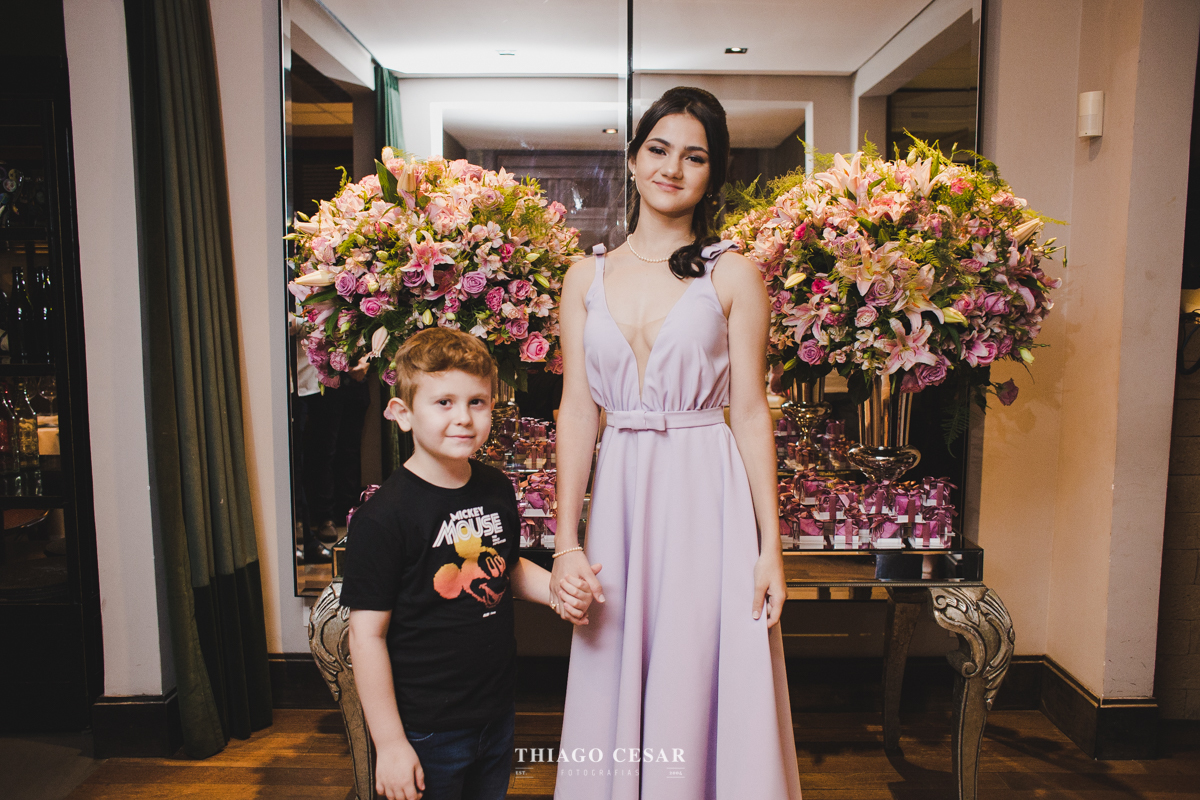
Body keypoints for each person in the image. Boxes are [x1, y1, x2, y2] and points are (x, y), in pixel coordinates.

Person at [549, 87, 804, 798]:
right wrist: (565, 542)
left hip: (705, 494)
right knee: (614, 650)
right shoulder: (584, 277)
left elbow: (749, 412)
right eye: (659, 149)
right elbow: (577, 411)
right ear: (633, 159)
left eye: (695, 156)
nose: (672, 168)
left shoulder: (733, 273)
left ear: (712, 175)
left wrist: (770, 547)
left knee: (697, 665)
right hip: (621, 498)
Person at [340, 328, 600, 800]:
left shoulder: (495, 487)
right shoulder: (384, 518)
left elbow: (505, 566)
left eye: (476, 402)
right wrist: (391, 744)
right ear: (402, 413)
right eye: (444, 403)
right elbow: (366, 636)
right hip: (425, 727)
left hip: (495, 710)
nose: (463, 417)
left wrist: (557, 591)